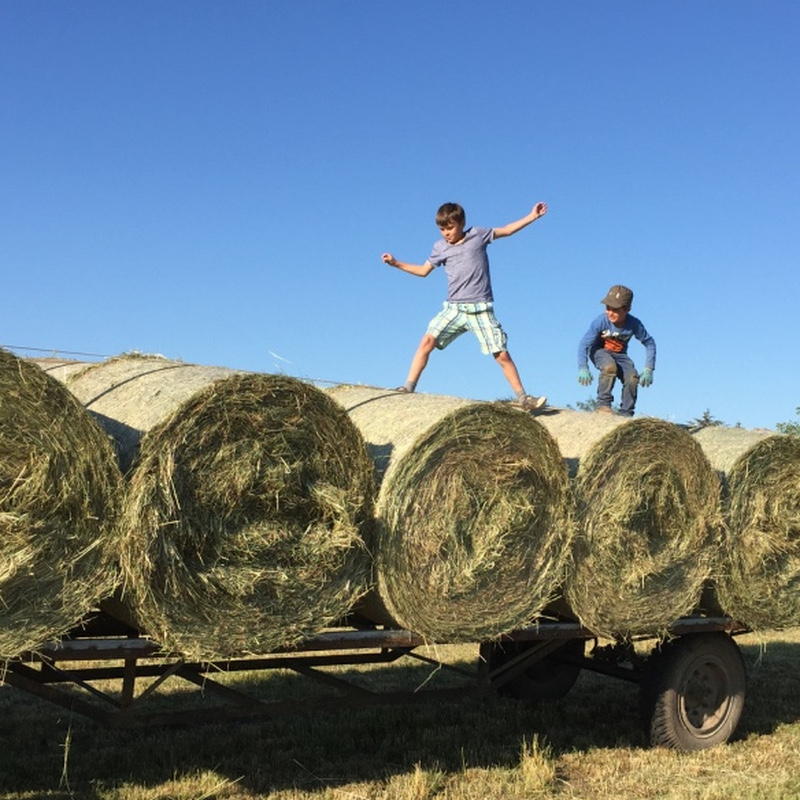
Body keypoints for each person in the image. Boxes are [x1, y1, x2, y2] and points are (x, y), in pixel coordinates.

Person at [381, 201, 548, 410]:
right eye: (442, 229)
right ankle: (407, 388)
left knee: (501, 354)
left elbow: (507, 230)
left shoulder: (478, 235)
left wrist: (532, 216)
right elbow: (424, 271)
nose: (446, 233)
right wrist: (396, 263)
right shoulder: (440, 248)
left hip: (481, 308)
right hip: (454, 308)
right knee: (426, 341)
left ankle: (524, 398)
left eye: (450, 228)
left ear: (462, 223)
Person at [577, 284, 656, 417]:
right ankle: (603, 405)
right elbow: (584, 344)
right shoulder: (600, 321)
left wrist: (649, 368)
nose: (610, 313)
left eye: (615, 310)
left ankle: (626, 413)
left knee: (632, 377)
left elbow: (650, 343)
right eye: (608, 308)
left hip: (620, 355)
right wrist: (583, 367)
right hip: (599, 351)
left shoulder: (634, 324)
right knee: (609, 367)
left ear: (627, 309)